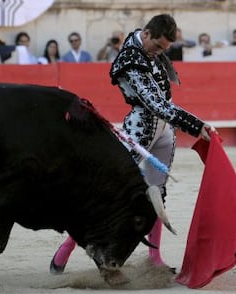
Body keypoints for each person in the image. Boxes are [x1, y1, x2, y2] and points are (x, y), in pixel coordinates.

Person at [50, 13, 217, 275]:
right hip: (139, 128)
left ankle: (155, 257)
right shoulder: (129, 59)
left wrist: (191, 124)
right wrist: (197, 125)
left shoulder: (148, 44)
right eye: (158, 46)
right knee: (107, 191)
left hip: (164, 130)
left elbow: (164, 101)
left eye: (165, 49)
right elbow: (155, 103)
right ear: (147, 35)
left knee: (157, 193)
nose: (160, 53)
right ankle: (67, 248)